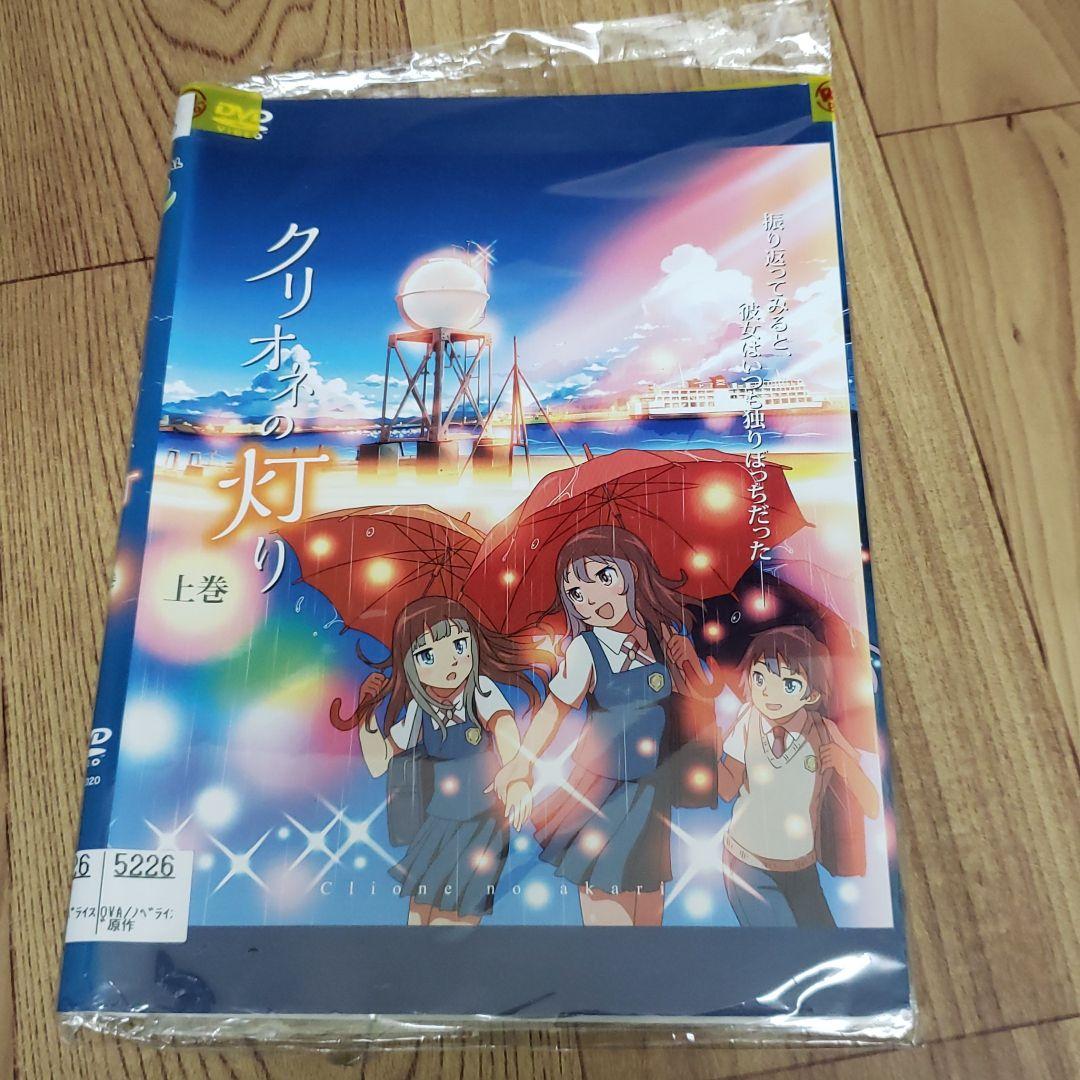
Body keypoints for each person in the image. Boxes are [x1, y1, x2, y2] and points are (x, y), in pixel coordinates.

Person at [489, 525, 714, 927]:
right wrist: (521, 766)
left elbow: (695, 711)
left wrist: (689, 666)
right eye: (576, 593)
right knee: (605, 900)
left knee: (648, 912)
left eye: (603, 578)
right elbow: (554, 712)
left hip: (651, 793)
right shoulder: (585, 650)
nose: (590, 600)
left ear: (633, 572)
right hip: (600, 792)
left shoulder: (663, 636)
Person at [330, 596, 545, 925]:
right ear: (409, 665)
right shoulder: (420, 708)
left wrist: (516, 778)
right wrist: (367, 713)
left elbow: (504, 728)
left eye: (459, 645)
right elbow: (379, 762)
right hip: (437, 825)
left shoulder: (481, 691)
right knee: (418, 916)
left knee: (455, 918)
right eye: (428, 655)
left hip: (480, 824)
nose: (451, 663)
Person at [717, 625, 880, 928]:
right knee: (779, 943)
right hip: (747, 864)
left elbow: (871, 805)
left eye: (789, 684)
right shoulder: (747, 720)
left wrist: (843, 763)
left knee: (824, 941)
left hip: (802, 869)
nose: (769, 693)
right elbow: (727, 789)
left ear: (812, 693)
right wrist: (712, 756)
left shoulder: (824, 731)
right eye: (760, 678)